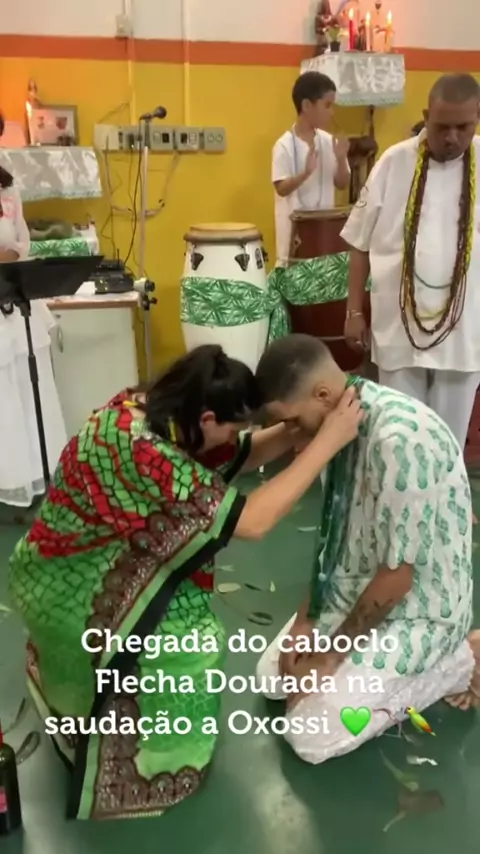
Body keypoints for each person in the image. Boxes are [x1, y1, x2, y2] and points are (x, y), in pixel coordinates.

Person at [8, 344, 362, 819]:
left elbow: (236, 452)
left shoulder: (158, 410)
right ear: (209, 418)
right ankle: (152, 765)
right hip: (72, 574)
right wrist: (326, 442)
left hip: (103, 548)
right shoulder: (143, 450)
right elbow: (253, 521)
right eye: (233, 427)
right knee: (192, 647)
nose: (236, 438)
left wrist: (296, 426)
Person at [254, 334, 480, 766]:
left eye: (293, 421)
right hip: (353, 587)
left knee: (308, 736)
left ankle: (456, 662)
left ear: (323, 394)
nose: (292, 435)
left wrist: (327, 658)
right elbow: (332, 535)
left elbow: (398, 579)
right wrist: (305, 621)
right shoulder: (340, 421)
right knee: (271, 679)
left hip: (418, 610)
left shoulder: (398, 441)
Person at [342, 73, 480, 452]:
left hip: (464, 331)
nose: (452, 137)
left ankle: (448, 493)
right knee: (400, 440)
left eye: (463, 127)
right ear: (426, 115)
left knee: (449, 443)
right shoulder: (394, 161)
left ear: (477, 119)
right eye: (442, 127)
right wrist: (354, 311)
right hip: (399, 328)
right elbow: (359, 243)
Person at [0, 111, 67, 507]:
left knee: (26, 389)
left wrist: (13, 253)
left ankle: (27, 474)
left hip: (12, 295)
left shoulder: (7, 185)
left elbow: (22, 238)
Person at [272, 71, 350, 266]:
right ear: (307, 105)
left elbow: (342, 183)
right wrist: (305, 173)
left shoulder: (329, 141)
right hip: (295, 241)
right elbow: (281, 189)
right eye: (327, 105)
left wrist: (341, 159)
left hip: (324, 238)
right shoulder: (284, 145)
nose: (332, 112)